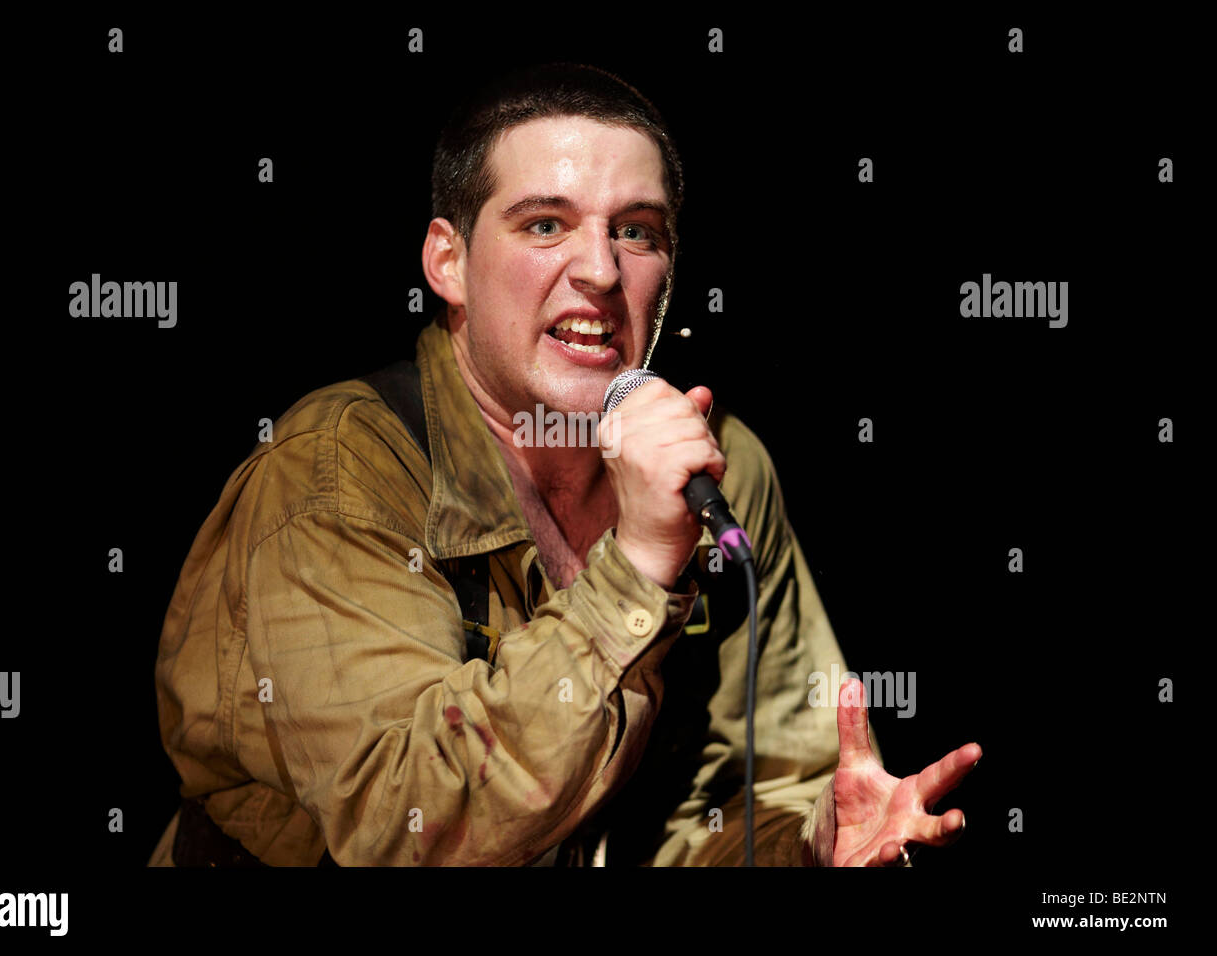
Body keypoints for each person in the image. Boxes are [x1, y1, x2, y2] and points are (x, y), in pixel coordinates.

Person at [149, 62, 979, 867]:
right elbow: (407, 829)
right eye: (545, 224)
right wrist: (642, 569)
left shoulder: (718, 466)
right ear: (447, 262)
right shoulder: (337, 468)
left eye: (635, 231)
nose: (600, 270)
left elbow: (723, 808)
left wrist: (813, 847)